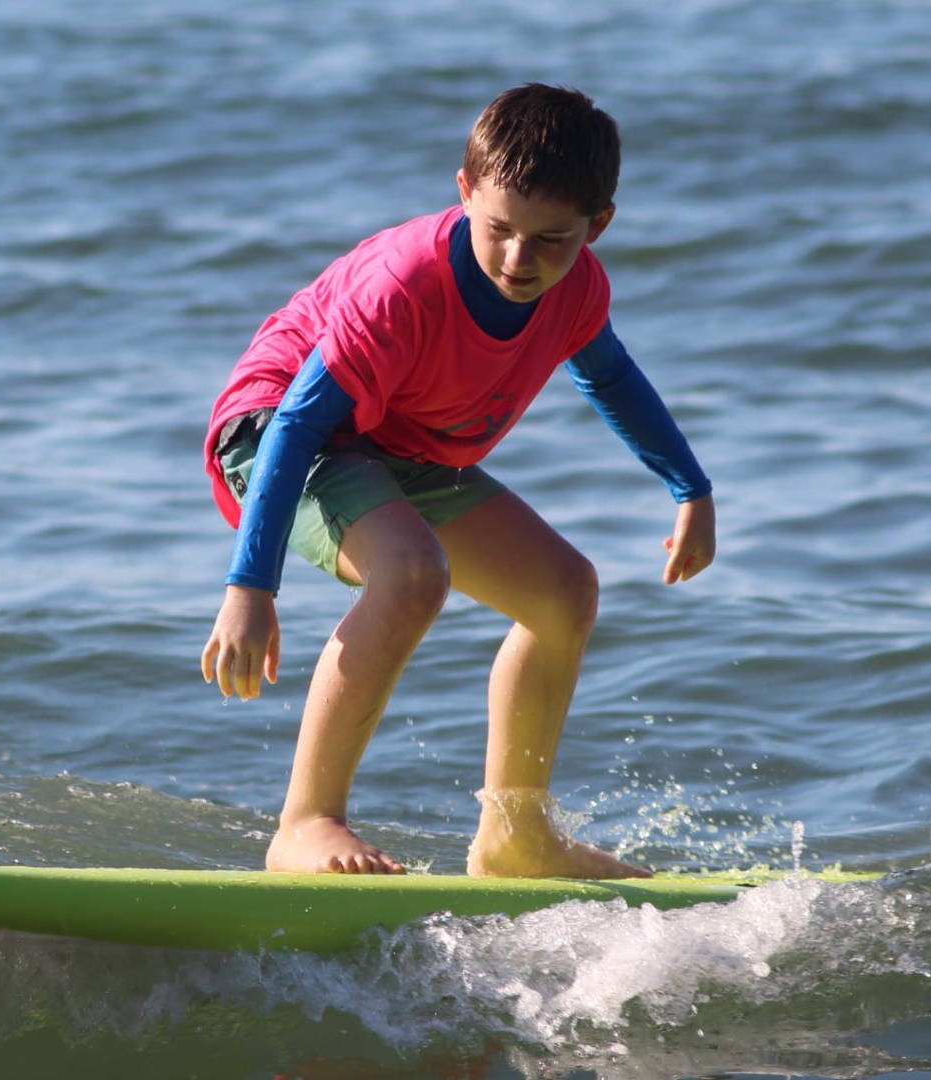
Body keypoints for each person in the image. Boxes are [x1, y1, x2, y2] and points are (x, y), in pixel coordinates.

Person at [199, 84, 716, 878]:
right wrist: (249, 585)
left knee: (563, 591)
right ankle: (304, 824)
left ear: (597, 226)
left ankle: (517, 838)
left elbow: (609, 377)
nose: (519, 260)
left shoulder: (576, 288)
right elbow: (301, 424)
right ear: (466, 190)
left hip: (399, 447)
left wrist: (690, 487)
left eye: (551, 239)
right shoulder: (402, 287)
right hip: (275, 434)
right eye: (500, 229)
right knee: (412, 574)